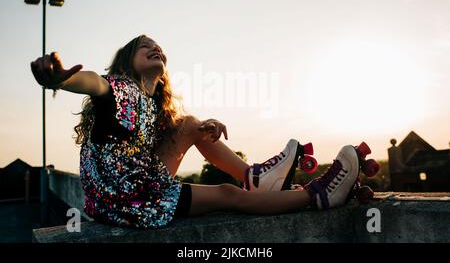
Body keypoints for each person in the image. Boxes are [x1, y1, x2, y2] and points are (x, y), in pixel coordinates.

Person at [30, 34, 366, 229]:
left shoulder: (151, 106)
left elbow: (174, 137)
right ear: (126, 62)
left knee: (190, 124)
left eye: (157, 45)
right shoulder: (119, 88)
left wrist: (204, 130)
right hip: (125, 200)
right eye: (143, 46)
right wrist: (61, 78)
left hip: (137, 182)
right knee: (226, 195)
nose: (154, 47)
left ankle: (256, 178)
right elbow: (94, 84)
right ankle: (318, 195)